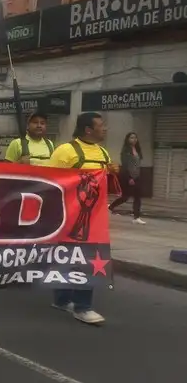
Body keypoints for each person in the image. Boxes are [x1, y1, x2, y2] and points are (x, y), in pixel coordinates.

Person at [47, 112, 117, 325]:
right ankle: (81, 307)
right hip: (68, 217)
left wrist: (113, 173)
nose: (104, 129)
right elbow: (48, 182)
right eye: (100, 125)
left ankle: (67, 301)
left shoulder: (103, 152)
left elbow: (107, 185)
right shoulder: (65, 152)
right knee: (69, 259)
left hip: (94, 219)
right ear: (88, 129)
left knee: (84, 260)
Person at [109, 132, 145, 225]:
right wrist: (129, 178)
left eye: (135, 138)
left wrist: (137, 176)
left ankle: (136, 217)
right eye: (131, 138)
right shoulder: (125, 151)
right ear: (127, 139)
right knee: (125, 197)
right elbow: (125, 166)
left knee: (138, 197)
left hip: (137, 176)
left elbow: (137, 165)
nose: (134, 139)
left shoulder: (137, 150)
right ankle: (110, 207)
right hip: (127, 176)